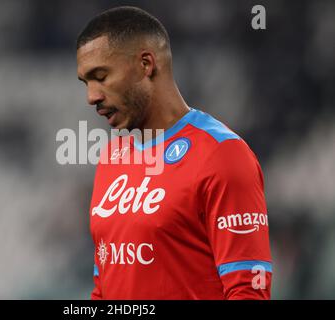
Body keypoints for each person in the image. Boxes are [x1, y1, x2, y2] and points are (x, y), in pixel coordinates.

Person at [76, 6, 272, 299]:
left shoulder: (223, 154)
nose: (91, 96)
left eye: (101, 76)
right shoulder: (111, 159)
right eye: (86, 82)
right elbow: (104, 288)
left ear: (146, 64)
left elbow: (248, 289)